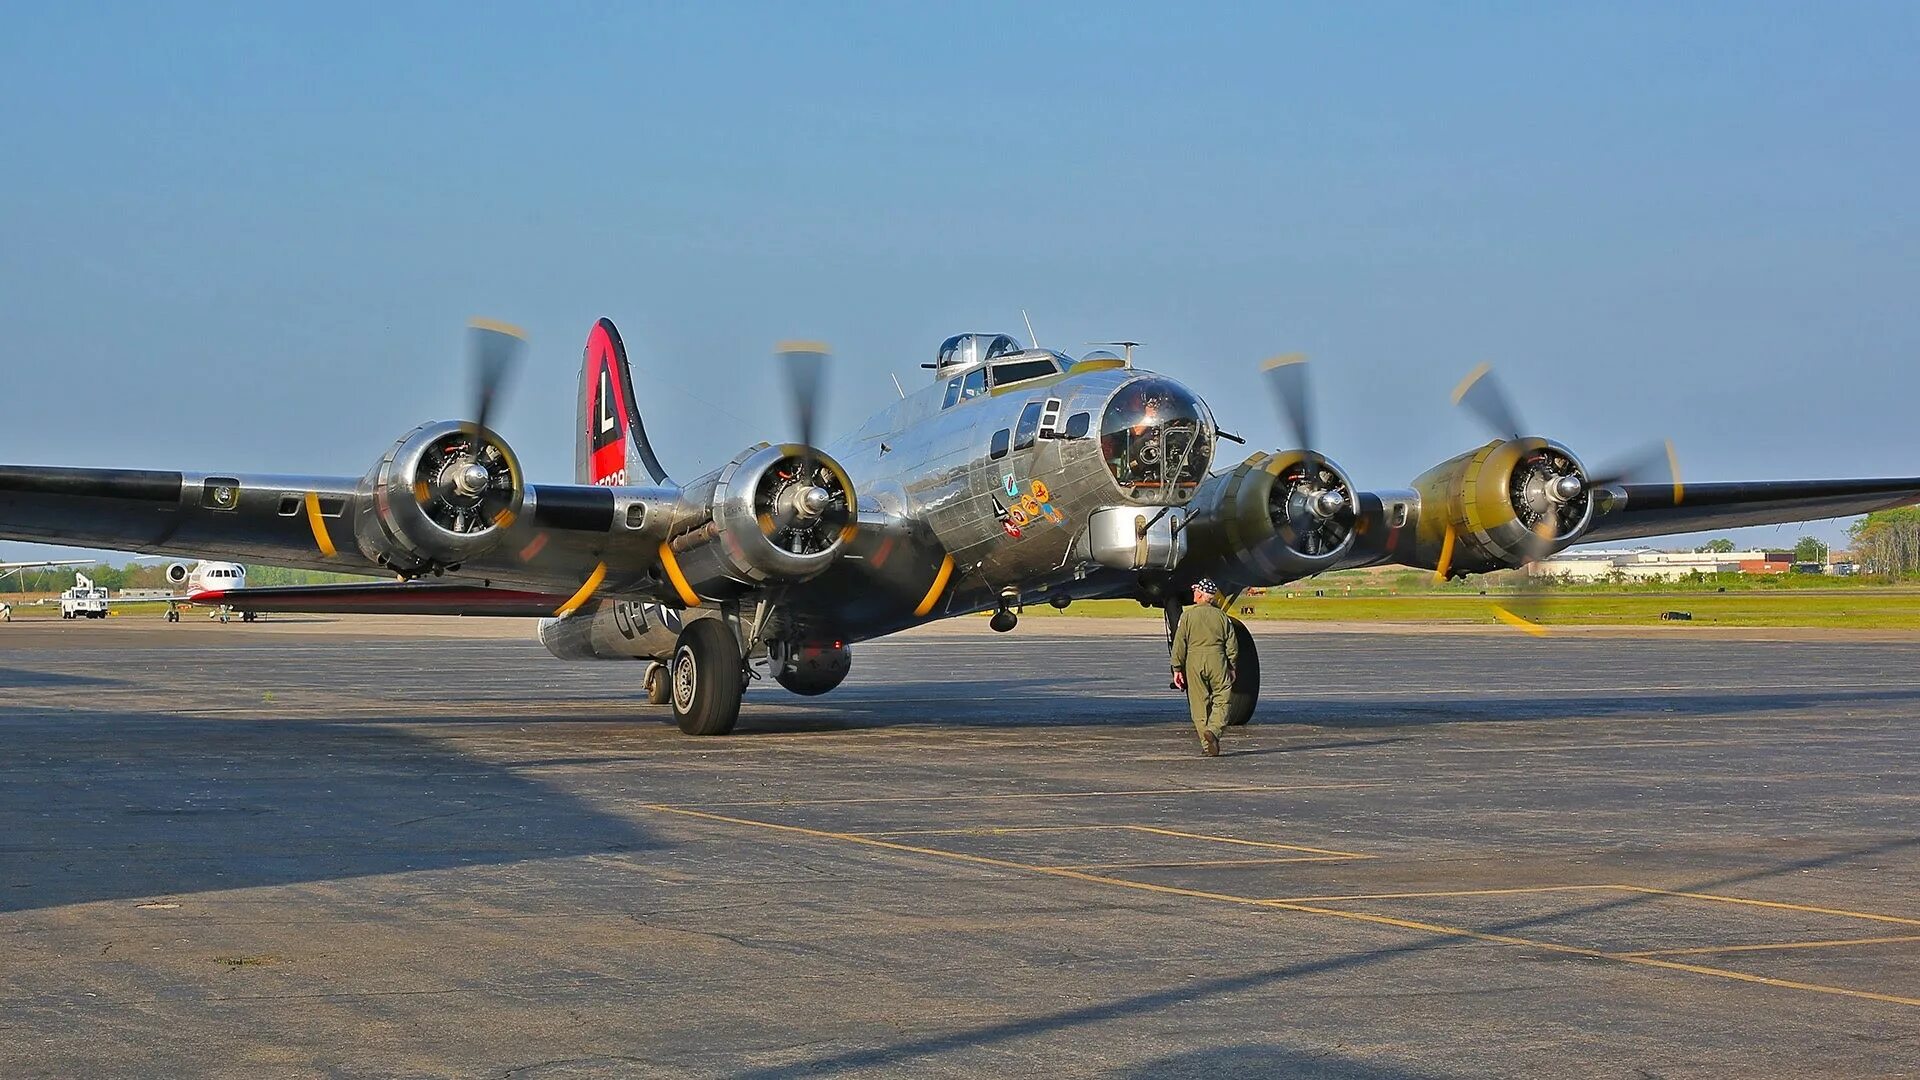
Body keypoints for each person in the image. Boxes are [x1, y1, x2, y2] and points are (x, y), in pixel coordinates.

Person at [1170, 578, 1238, 756]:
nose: (1193, 593)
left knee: (1199, 705)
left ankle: (1208, 745)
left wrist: (1177, 669)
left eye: (1195, 591)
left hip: (1194, 660)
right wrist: (1232, 665)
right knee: (1223, 698)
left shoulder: (1187, 616)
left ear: (1200, 594)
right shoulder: (1222, 616)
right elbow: (1232, 644)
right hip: (1217, 659)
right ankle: (1214, 731)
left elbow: (1180, 643)